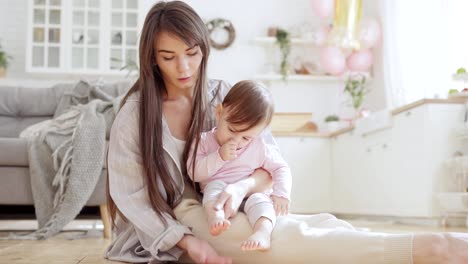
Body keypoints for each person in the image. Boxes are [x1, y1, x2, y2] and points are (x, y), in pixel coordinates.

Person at [105, 1, 468, 263]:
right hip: (179, 219)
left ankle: (416, 244)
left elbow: (267, 164)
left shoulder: (223, 97)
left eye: (192, 53)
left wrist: (239, 187)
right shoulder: (135, 117)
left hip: (233, 201)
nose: (183, 67)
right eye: (168, 57)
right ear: (152, 58)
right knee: (276, 242)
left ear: (204, 48)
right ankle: (426, 248)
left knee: (296, 225)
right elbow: (133, 199)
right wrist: (187, 244)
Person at [186, 80, 291, 251]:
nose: (236, 141)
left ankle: (262, 233)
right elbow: (194, 173)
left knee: (262, 202)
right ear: (219, 113)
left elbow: (281, 167)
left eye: (246, 138)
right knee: (214, 187)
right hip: (219, 189)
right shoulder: (203, 141)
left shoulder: (259, 146)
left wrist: (282, 193)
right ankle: (216, 217)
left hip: (251, 193)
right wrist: (219, 157)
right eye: (232, 130)